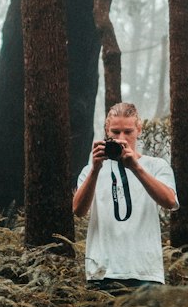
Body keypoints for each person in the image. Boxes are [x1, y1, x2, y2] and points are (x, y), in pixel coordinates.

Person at [72, 101, 177, 289]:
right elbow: (78, 210)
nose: (122, 138)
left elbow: (170, 201)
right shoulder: (90, 170)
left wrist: (136, 167)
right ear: (107, 131)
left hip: (145, 272)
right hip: (102, 272)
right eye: (115, 132)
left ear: (139, 129)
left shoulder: (156, 166)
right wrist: (95, 169)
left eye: (128, 132)